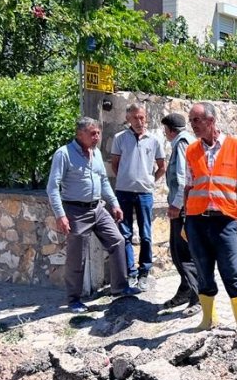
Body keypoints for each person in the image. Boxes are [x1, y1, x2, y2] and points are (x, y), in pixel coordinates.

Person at [184, 101, 237, 336]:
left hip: (225, 220)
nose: (193, 125)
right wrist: (184, 218)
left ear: (211, 121)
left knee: (231, 270)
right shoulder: (191, 150)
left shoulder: (235, 146)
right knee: (202, 270)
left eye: (197, 120)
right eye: (191, 121)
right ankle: (209, 319)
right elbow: (189, 187)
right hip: (196, 220)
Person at [46, 117, 139, 313]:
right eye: (92, 133)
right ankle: (73, 300)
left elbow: (104, 181)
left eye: (98, 133)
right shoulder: (64, 154)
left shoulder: (96, 153)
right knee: (76, 256)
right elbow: (52, 187)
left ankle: (119, 288)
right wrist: (60, 215)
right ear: (80, 134)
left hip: (98, 208)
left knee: (118, 241)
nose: (97, 137)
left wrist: (114, 203)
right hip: (76, 211)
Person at [111, 103, 165, 292]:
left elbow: (162, 166)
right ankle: (131, 273)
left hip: (145, 193)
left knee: (146, 235)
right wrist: (125, 178)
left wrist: (150, 181)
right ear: (128, 119)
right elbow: (115, 164)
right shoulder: (120, 138)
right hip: (123, 192)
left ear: (146, 118)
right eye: (135, 118)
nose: (139, 121)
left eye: (142, 117)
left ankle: (145, 272)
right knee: (125, 234)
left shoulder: (154, 140)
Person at [159, 112, 199, 315]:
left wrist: (176, 205)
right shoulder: (188, 141)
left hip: (184, 208)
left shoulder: (182, 144)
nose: (165, 134)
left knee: (184, 255)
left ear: (170, 130)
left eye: (165, 130)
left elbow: (184, 178)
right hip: (185, 206)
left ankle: (197, 296)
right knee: (178, 253)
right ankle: (185, 290)